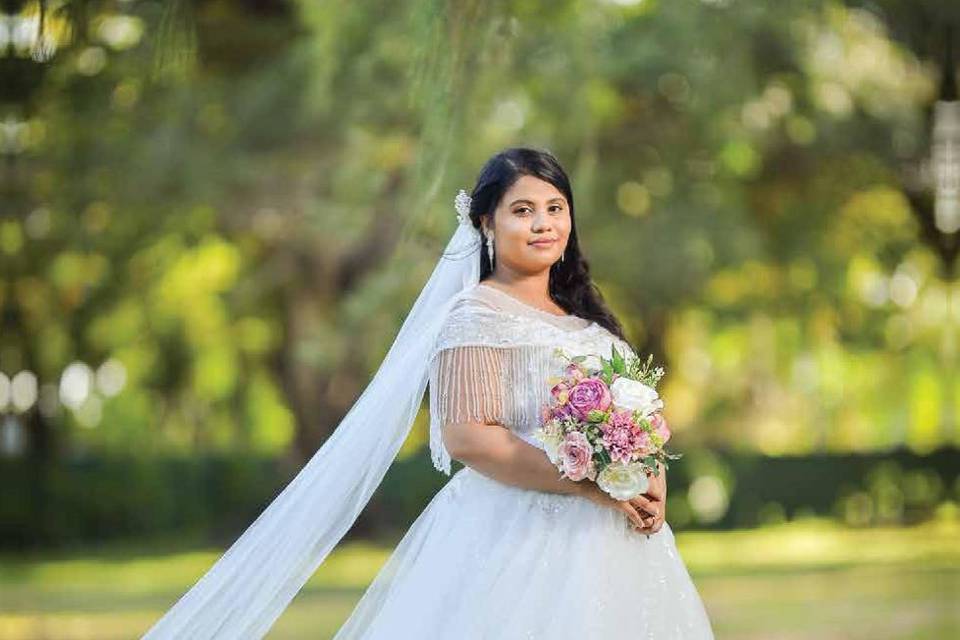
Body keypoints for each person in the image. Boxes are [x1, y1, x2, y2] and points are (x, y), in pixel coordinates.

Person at [141, 147, 714, 639]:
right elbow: (467, 437)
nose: (543, 223)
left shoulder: (588, 321)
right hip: (516, 538)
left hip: (617, 545)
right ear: (487, 224)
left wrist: (647, 482)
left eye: (555, 208)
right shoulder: (476, 312)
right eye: (523, 211)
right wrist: (592, 486)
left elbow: (640, 420)